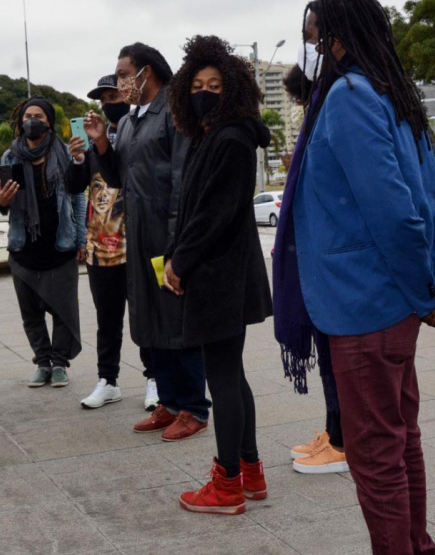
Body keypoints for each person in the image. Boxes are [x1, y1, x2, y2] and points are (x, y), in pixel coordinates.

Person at [274, 0, 435, 552]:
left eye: (315, 41)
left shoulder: (349, 97)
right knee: (401, 442)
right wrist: (431, 288)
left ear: (338, 37)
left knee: (377, 455)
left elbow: (398, 212)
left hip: (363, 306)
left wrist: (428, 295)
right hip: (392, 306)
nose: (312, 53)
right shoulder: (394, 94)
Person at [162, 35, 272, 515]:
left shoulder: (229, 139)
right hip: (224, 272)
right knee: (233, 375)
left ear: (233, 91)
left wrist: (180, 261)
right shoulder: (216, 135)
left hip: (217, 274)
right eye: (198, 84)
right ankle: (249, 472)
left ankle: (226, 485)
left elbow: (212, 214)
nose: (204, 91)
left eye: (215, 84)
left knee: (223, 379)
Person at [85, 43, 211, 442]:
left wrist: (176, 244)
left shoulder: (173, 114)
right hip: (135, 235)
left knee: (175, 319)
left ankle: (193, 406)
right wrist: (102, 143)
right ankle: (169, 402)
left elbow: (182, 181)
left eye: (124, 74)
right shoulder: (132, 121)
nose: (120, 83)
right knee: (149, 317)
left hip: (165, 236)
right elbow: (120, 178)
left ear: (147, 73)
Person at [277, 31, 349, 475]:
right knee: (328, 357)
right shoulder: (321, 106)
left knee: (339, 360)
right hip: (320, 254)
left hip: (337, 256)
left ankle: (343, 441)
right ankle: (333, 431)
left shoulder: (342, 101)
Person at [66, 75, 157, 411]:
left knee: (145, 314)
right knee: (107, 320)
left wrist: (103, 143)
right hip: (101, 247)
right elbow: (74, 186)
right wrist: (77, 159)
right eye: (103, 97)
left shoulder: (138, 133)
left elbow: (126, 173)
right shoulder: (91, 143)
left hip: (139, 243)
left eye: (114, 94)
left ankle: (154, 378)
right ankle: (108, 381)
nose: (108, 102)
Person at [0, 97, 86, 388]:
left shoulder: (64, 154)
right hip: (23, 247)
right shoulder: (10, 157)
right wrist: (2, 201)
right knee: (30, 312)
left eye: (39, 116)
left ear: (49, 122)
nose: (32, 120)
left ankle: (60, 363)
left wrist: (82, 239)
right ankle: (42, 361)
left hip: (60, 246)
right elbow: (2, 204)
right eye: (27, 115)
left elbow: (78, 198)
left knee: (64, 309)